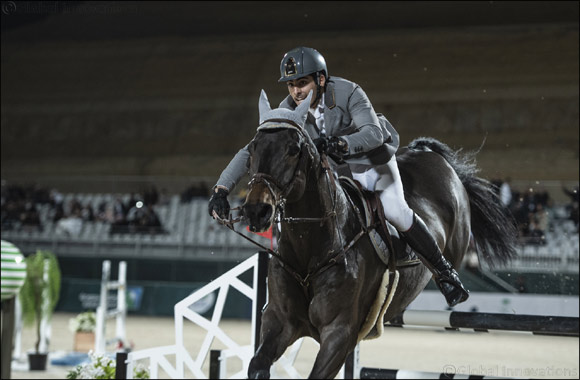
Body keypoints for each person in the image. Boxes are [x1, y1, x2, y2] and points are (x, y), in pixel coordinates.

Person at [208, 46, 468, 307]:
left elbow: (373, 134)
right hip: (336, 169)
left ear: (320, 79)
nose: (296, 92)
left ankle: (445, 273)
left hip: (371, 159)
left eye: (302, 83)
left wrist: (340, 144)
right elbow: (253, 148)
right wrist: (221, 189)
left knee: (396, 210)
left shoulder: (348, 92)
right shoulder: (288, 108)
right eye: (291, 85)